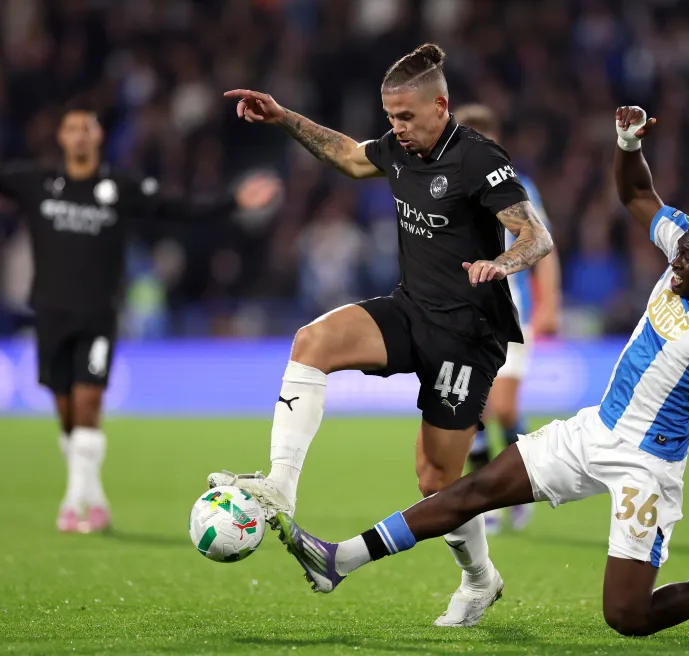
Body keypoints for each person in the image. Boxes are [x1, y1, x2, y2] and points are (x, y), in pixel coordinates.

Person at [272, 106, 689, 636]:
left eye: (688, 261)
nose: (676, 263)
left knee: (627, 616)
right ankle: (339, 559)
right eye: (678, 252)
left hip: (648, 464)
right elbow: (639, 196)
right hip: (595, 429)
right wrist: (627, 142)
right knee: (473, 490)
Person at [210, 43, 553, 627]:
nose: (396, 129)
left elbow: (536, 234)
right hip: (410, 309)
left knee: (436, 478)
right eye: (390, 117)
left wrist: (505, 263)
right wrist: (285, 116)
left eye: (406, 117)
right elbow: (348, 155)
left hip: (467, 335)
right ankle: (279, 489)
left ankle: (480, 579)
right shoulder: (397, 149)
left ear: (441, 106)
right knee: (311, 341)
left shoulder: (478, 158)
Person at [0, 104, 279, 534]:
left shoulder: (119, 187)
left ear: (97, 136)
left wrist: (233, 201)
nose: (78, 136)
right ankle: (93, 498)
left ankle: (73, 503)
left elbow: (178, 208)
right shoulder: (35, 183)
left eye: (86, 128)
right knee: (67, 413)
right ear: (60, 138)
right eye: (71, 128)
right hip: (51, 314)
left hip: (98, 315)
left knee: (89, 402)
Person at [454, 104, 561, 535]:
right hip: (459, 316)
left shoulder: (515, 188)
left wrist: (549, 302)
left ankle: (527, 482)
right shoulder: (442, 186)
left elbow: (542, 245)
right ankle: (487, 502)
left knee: (502, 408)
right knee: (468, 413)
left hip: (507, 314)